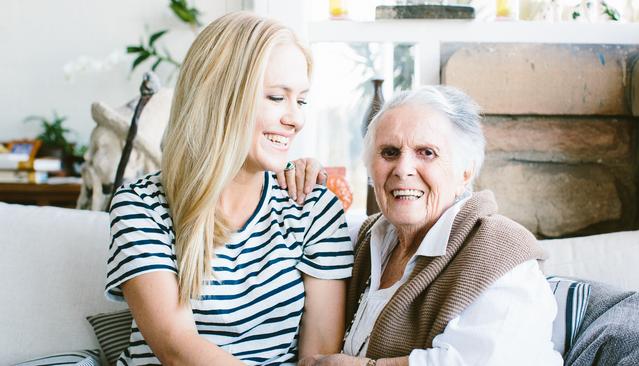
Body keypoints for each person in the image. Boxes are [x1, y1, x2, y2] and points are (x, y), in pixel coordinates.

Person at [105, 12, 353, 365]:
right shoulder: (141, 206)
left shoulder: (313, 208)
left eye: (301, 100)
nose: (295, 119)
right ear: (220, 96)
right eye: (276, 97)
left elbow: (319, 358)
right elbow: (177, 350)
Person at [300, 85, 563, 366]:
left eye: (426, 152)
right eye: (389, 152)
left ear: (465, 172)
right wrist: (296, 177)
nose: (403, 169)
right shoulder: (365, 237)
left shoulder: (502, 253)